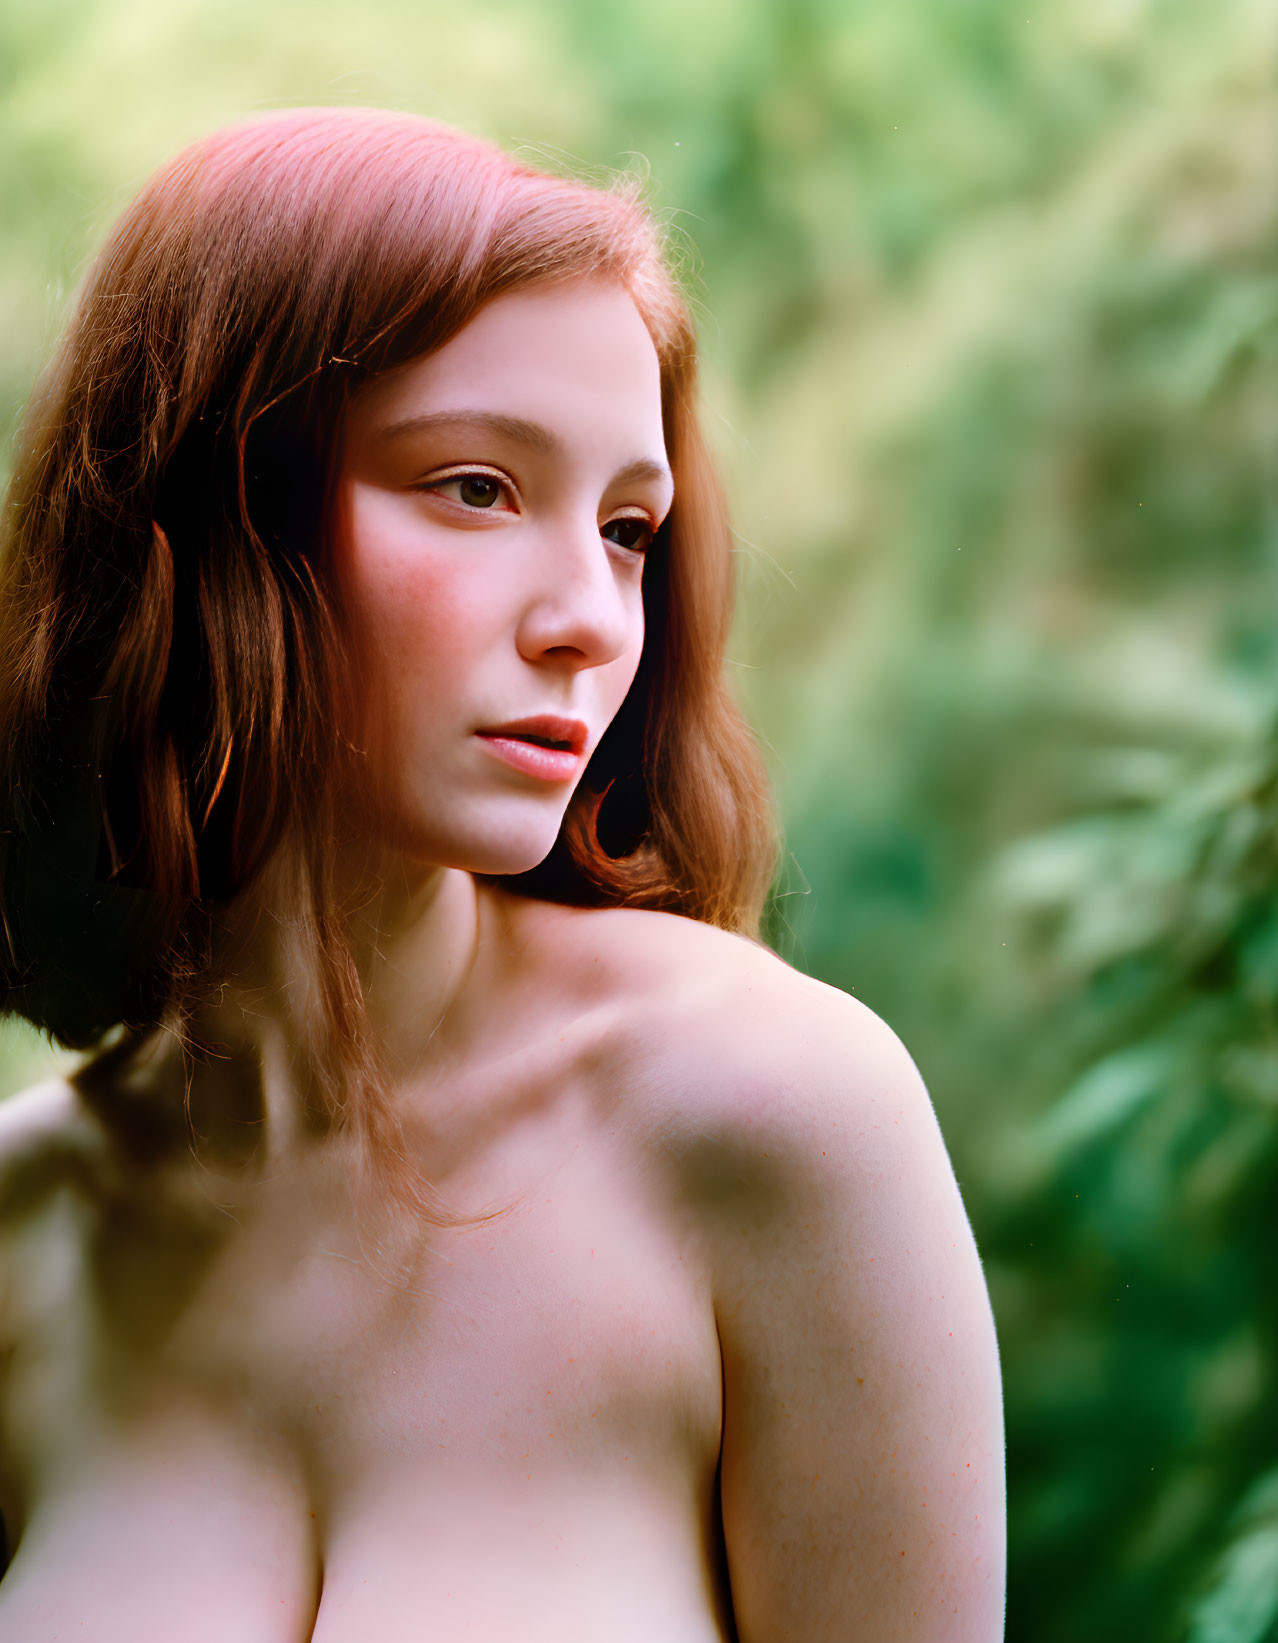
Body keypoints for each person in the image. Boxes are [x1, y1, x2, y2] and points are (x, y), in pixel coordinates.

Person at [0, 107, 1005, 1640]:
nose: (594, 618)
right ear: (211, 515)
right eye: (475, 487)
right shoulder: (27, 1230)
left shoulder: (769, 1115)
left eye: (626, 529)